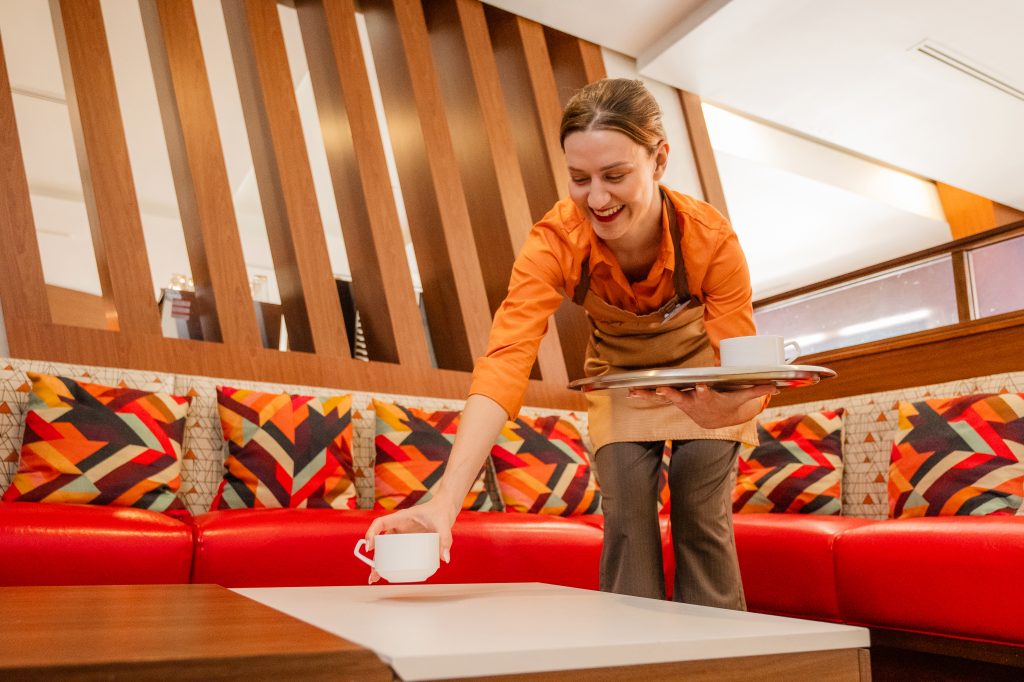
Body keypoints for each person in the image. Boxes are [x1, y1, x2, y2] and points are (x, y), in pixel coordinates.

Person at [364, 78, 774, 609]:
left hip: (705, 377)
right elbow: (506, 361)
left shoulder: (710, 239)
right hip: (619, 378)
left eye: (616, 175)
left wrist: (734, 408)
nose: (596, 199)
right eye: (580, 179)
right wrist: (445, 501)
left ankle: (720, 662)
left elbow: (743, 358)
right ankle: (633, 662)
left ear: (660, 160)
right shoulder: (556, 240)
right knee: (627, 515)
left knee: (699, 506)